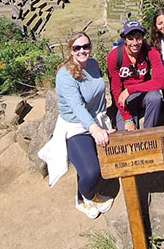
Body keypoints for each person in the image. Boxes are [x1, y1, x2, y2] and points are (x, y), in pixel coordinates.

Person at [46, 32, 115, 219]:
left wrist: (103, 124)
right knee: (92, 171)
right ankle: (85, 198)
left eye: (86, 46)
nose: (82, 51)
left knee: (97, 164)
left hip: (98, 120)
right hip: (76, 125)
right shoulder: (65, 75)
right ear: (71, 50)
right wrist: (95, 129)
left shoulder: (93, 65)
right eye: (77, 48)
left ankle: (88, 194)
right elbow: (77, 107)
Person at [107, 20, 164, 130]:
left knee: (155, 97)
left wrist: (131, 90)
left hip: (145, 93)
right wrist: (128, 119)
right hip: (126, 99)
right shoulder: (114, 57)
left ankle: (149, 132)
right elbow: (116, 90)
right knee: (125, 133)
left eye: (138, 38)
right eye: (130, 38)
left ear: (143, 38)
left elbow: (160, 82)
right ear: (124, 39)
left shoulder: (151, 52)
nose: (135, 43)